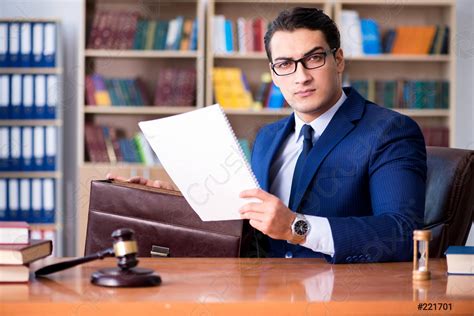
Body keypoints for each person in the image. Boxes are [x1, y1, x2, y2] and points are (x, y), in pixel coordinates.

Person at [109, 7, 427, 263]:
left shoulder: (389, 131)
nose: (301, 76)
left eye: (314, 59)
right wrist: (171, 202)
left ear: (338, 60)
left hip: (343, 297)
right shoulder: (268, 138)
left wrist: (295, 228)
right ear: (274, 74)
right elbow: (251, 223)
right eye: (285, 64)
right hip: (262, 290)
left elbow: (401, 233)